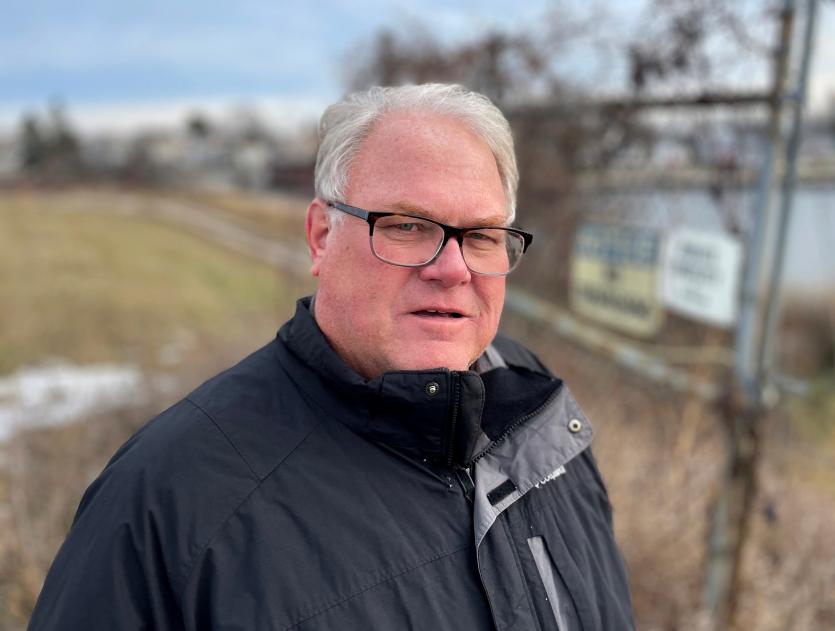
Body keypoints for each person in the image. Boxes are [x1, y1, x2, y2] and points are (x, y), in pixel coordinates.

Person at [28, 84, 635, 630]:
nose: (451, 269)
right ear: (321, 236)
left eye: (480, 236)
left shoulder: (543, 425)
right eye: (406, 226)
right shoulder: (171, 499)